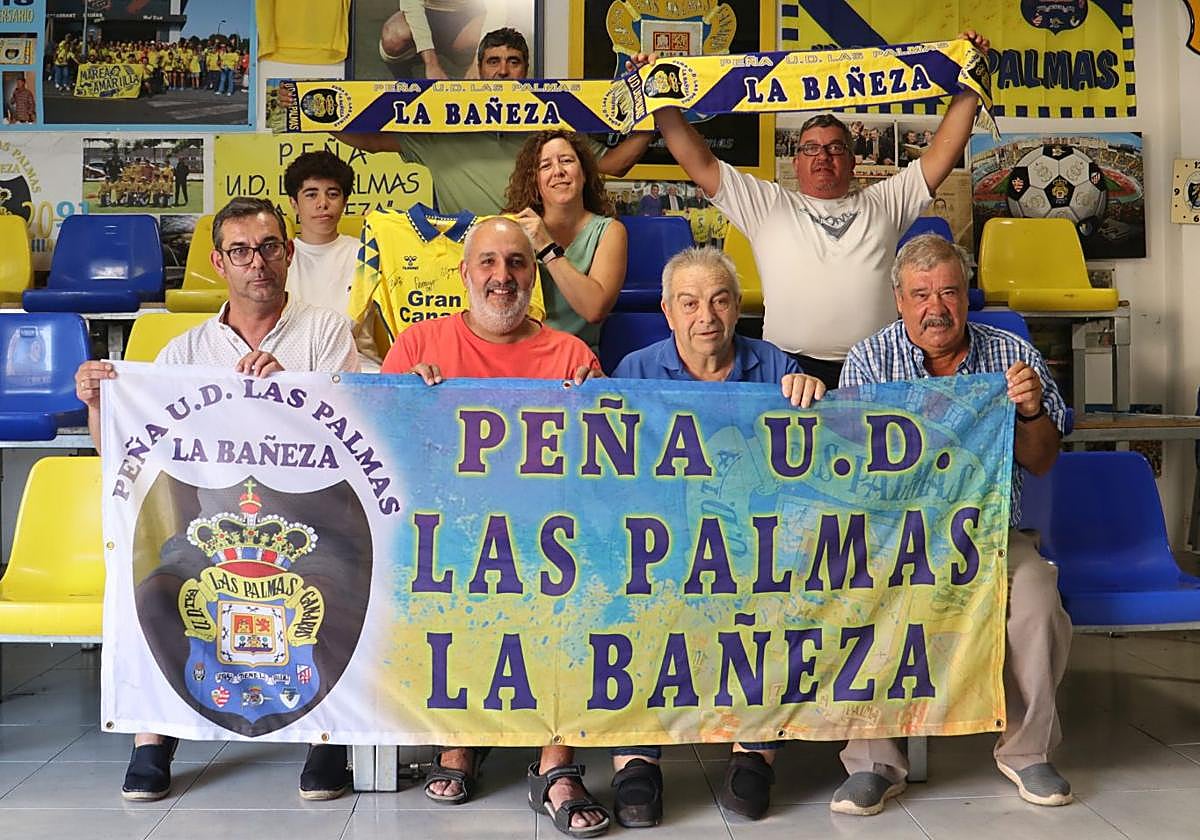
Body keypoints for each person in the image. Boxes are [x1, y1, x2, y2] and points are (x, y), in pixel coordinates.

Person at [74, 197, 360, 803]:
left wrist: (293, 393)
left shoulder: (326, 331)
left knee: (332, 597)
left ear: (287, 255)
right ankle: (153, 740)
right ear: (218, 262)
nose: (257, 263)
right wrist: (100, 403)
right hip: (214, 533)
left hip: (311, 529)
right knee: (150, 592)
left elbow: (347, 440)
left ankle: (327, 735)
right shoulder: (185, 352)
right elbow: (130, 450)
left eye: (269, 248)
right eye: (240, 251)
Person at [381, 216, 609, 837]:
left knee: (577, 590)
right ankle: (460, 740)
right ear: (463, 273)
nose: (501, 276)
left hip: (547, 541)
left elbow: (615, 466)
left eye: (516, 263)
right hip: (450, 538)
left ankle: (557, 765)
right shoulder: (416, 347)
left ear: (534, 275)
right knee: (432, 579)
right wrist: (402, 398)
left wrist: (597, 402)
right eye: (487, 262)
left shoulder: (571, 353)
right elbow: (376, 449)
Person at [833, 233, 1072, 816]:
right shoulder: (869, 359)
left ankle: (1028, 751)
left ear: (967, 296)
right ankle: (875, 762)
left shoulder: (1012, 356)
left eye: (948, 291)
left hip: (990, 534)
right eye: (920, 294)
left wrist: (1031, 409)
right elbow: (846, 463)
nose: (935, 307)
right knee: (859, 592)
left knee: (1038, 596)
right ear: (899, 300)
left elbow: (1042, 460)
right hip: (898, 536)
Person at [634, 31, 988, 390]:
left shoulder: (885, 201)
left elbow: (942, 154)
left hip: (875, 366)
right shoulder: (766, 204)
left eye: (835, 149)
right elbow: (699, 162)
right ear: (795, 161)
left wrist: (969, 82)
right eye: (811, 149)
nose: (823, 157)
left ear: (853, 161)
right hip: (785, 368)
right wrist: (661, 98)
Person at [608, 246, 824, 827]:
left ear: (737, 309)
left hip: (751, 542)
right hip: (664, 540)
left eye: (720, 300)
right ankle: (636, 757)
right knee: (632, 600)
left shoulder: (775, 365)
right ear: (668, 312)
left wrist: (810, 396)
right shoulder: (634, 371)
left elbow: (809, 464)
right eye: (690, 303)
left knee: (778, 598)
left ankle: (754, 751)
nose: (707, 315)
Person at [332, 27, 652, 215]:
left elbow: (614, 164)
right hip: (463, 260)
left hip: (535, 257)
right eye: (494, 62)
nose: (502, 71)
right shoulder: (442, 129)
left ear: (526, 69)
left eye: (513, 62)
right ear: (480, 68)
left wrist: (656, 112)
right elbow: (371, 141)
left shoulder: (551, 129)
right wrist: (311, 113)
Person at [503, 130, 626, 351]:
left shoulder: (610, 231)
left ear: (585, 172)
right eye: (545, 166)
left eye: (567, 161)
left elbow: (594, 310)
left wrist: (546, 247)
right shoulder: (514, 228)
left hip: (577, 361)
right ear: (534, 181)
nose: (558, 171)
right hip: (518, 355)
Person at [283, 150, 359, 317]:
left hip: (354, 343)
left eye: (332, 194)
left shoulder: (364, 253)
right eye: (311, 195)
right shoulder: (279, 257)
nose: (323, 203)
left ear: (344, 202)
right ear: (294, 203)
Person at [378, 0, 508, 79]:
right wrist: (431, 63)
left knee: (502, 38)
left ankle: (460, 59)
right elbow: (412, 5)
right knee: (393, 37)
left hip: (469, 15)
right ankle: (405, 80)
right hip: (428, 11)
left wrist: (477, 62)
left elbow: (498, 9)